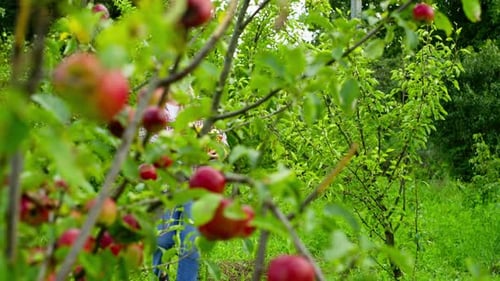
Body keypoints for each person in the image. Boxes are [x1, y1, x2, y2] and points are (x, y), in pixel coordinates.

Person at [150, 92, 227, 281]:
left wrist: (219, 150)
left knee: (191, 242)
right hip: (165, 185)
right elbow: (148, 147)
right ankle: (160, 276)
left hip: (195, 185)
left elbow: (221, 139)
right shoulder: (152, 110)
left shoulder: (197, 110)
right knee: (162, 239)